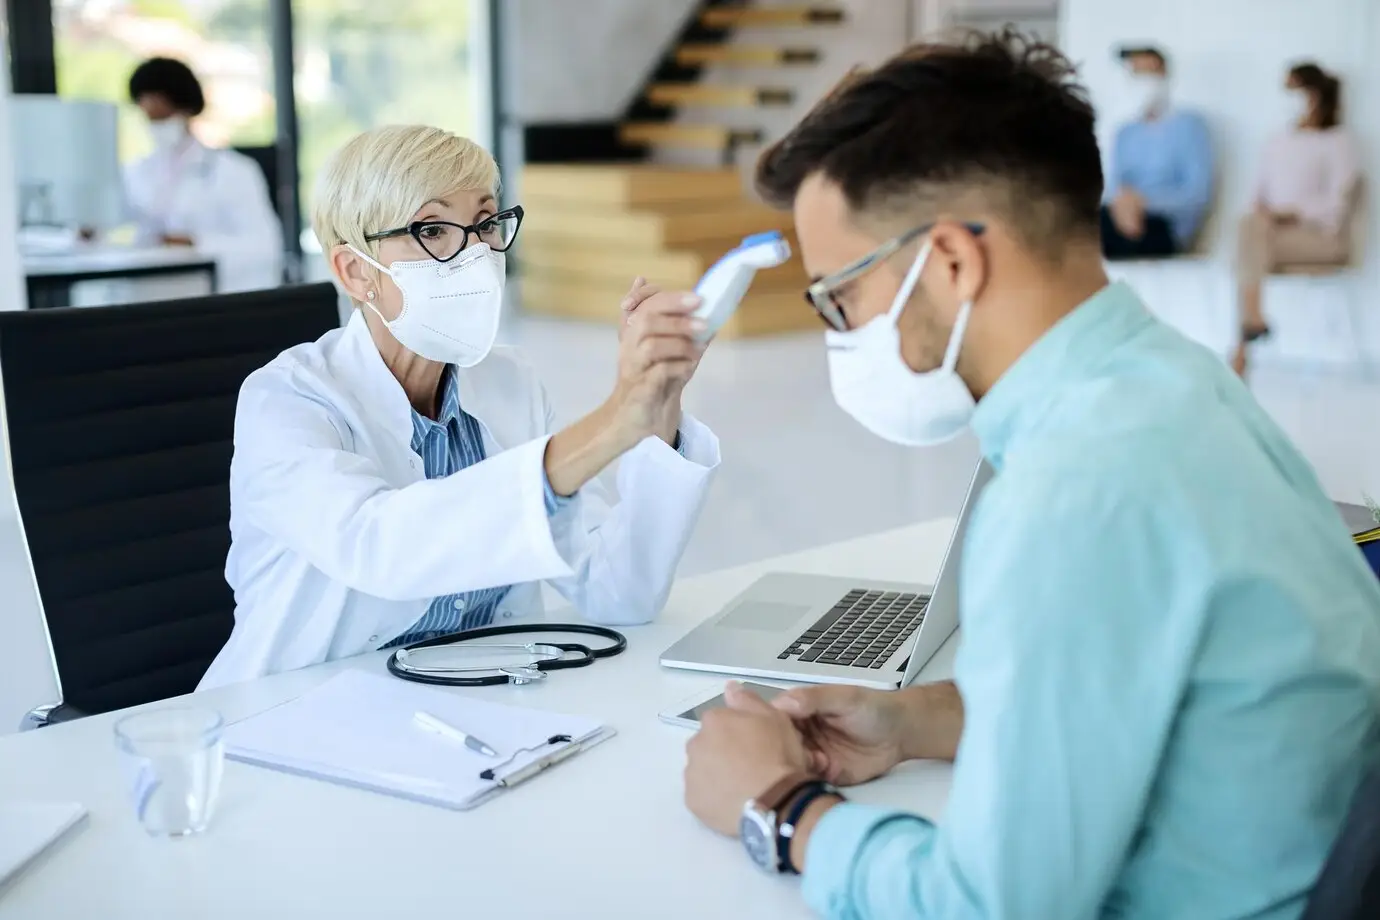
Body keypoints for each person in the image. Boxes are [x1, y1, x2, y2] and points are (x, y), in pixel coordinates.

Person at [683, 30, 1380, 919]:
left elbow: (993, 906)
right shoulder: (1176, 382)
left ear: (951, 263)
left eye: (840, 296)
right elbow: (1164, 700)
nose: (838, 331)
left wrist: (780, 811)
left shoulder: (1074, 489)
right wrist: (919, 720)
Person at [200, 125, 720, 687]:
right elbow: (382, 549)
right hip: (292, 714)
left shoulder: (511, 382)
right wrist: (612, 425)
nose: (476, 252)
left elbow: (619, 592)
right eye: (432, 229)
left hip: (477, 707)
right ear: (355, 272)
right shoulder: (286, 399)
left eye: (487, 223)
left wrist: (659, 398)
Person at [1232, 62, 1360, 376]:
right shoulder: (1277, 141)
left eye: (1293, 89)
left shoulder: (1338, 141)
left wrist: (1293, 213)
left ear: (1313, 94)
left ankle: (1245, 338)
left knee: (1249, 242)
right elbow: (1256, 196)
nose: (1287, 96)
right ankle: (1250, 326)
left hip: (1321, 238)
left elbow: (1338, 202)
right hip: (1271, 236)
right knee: (1250, 227)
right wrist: (1267, 214)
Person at [124, 57, 283, 291]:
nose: (157, 126)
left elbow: (265, 247)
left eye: (164, 116)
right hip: (149, 291)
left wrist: (195, 243)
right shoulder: (136, 172)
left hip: (209, 295)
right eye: (151, 118)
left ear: (186, 109)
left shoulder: (234, 171)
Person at [1101, 46, 1213, 259]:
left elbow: (1197, 194)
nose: (1142, 81)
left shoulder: (1190, 127)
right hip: (1120, 217)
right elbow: (1115, 187)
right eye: (1136, 74)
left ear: (1164, 75)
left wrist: (1143, 203)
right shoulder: (1126, 133)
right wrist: (1124, 205)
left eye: (1148, 73)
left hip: (1164, 224)